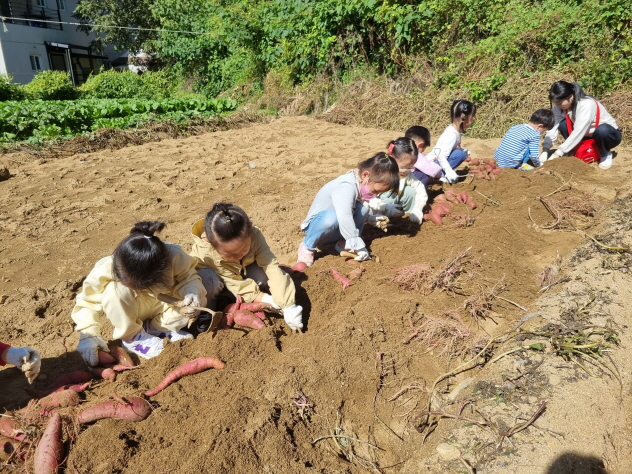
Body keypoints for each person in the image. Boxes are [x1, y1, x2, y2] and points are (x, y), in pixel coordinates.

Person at [72, 221, 207, 365]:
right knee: (114, 291)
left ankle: (157, 329)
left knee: (199, 299)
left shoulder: (175, 256)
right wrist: (88, 334)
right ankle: (132, 337)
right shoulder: (107, 266)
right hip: (133, 310)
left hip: (165, 305)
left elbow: (189, 278)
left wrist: (192, 292)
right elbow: (87, 302)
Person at [190, 203, 303, 332]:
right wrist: (266, 299)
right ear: (211, 244)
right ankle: (208, 312)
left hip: (241, 272)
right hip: (217, 281)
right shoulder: (206, 253)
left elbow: (271, 267)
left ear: (250, 229)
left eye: (244, 248)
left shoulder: (255, 235)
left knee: (262, 277)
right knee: (208, 280)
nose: (239, 256)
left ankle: (236, 299)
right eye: (230, 254)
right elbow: (235, 283)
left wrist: (288, 305)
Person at [297, 152, 399, 266]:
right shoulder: (346, 186)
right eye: (375, 191)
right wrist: (357, 245)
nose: (375, 195)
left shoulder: (358, 182)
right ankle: (307, 246)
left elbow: (353, 209)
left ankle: (344, 243)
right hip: (320, 228)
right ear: (366, 175)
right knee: (331, 218)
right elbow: (345, 215)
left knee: (364, 208)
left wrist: (369, 217)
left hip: (337, 228)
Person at [543, 81, 621, 170]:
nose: (558, 106)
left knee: (603, 130)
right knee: (562, 124)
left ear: (571, 96)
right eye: (555, 103)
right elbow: (553, 127)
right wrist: (546, 148)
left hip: (607, 135)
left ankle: (605, 153)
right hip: (585, 135)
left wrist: (558, 153)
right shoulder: (558, 107)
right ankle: (574, 149)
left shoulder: (586, 104)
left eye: (560, 103)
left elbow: (579, 130)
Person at [368, 137, 429, 224]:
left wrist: (418, 209)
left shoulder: (406, 173)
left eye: (410, 167)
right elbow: (368, 197)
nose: (405, 171)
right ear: (392, 158)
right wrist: (385, 207)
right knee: (389, 196)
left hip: (394, 206)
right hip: (376, 207)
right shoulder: (381, 172)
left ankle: (408, 218)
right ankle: (383, 220)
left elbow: (420, 188)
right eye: (403, 167)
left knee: (410, 191)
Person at [421, 100, 477, 184]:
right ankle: (440, 176)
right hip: (433, 163)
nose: (473, 120)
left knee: (461, 153)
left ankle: (441, 174)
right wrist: (448, 170)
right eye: (472, 117)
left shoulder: (455, 130)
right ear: (464, 118)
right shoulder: (451, 135)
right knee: (460, 154)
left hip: (437, 161)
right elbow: (441, 155)